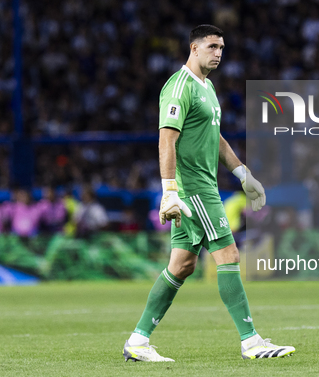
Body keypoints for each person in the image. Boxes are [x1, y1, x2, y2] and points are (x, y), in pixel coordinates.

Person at [123, 25, 295, 362]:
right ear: (194, 47)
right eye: (212, 46)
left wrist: (243, 174)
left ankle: (138, 341)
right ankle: (251, 341)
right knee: (229, 256)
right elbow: (166, 139)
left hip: (203, 186)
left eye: (222, 47)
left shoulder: (208, 87)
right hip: (195, 190)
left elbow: (215, 139)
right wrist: (169, 191)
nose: (218, 53)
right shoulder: (180, 87)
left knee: (182, 265)